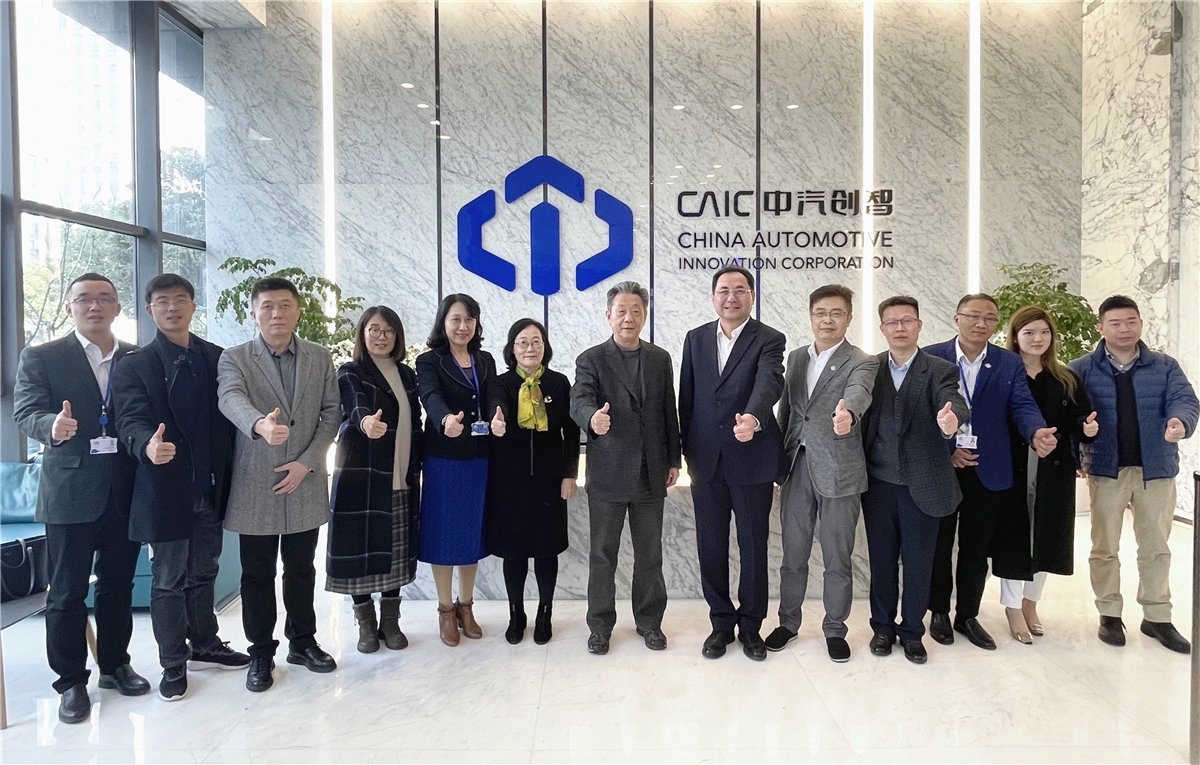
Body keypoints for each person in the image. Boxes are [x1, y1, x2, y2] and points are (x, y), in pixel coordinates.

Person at [13, 272, 149, 723]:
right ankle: (70, 682)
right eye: (84, 299)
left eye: (104, 298)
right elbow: (25, 411)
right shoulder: (42, 356)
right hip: (70, 493)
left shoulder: (135, 357)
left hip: (124, 490)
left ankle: (114, 665)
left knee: (118, 585)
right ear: (70, 307)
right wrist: (51, 426)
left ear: (117, 307)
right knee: (67, 592)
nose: (95, 306)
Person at [111, 274, 249, 702]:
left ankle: (205, 644)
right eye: (162, 301)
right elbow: (129, 419)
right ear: (149, 310)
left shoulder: (216, 357)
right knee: (169, 580)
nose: (172, 308)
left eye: (181, 300)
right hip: (164, 488)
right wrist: (145, 445)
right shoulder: (134, 364)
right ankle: (173, 662)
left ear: (193, 306)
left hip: (210, 485)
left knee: (204, 572)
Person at [217, 277, 340, 692]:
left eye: (285, 305)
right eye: (267, 306)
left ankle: (302, 642)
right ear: (254, 312)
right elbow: (229, 398)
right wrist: (258, 424)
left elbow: (331, 413)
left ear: (298, 311)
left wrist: (307, 463)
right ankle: (260, 652)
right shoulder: (235, 357)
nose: (276, 314)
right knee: (257, 574)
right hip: (256, 482)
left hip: (304, 479)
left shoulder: (319, 356)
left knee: (302, 569)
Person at [925, 293, 1056, 650]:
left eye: (989, 318)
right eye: (973, 316)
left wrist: (1036, 432)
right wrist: (950, 450)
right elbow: (922, 412)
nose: (981, 323)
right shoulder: (932, 357)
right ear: (957, 318)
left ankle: (967, 615)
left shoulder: (1007, 362)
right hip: (943, 467)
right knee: (940, 545)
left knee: (976, 547)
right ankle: (938, 612)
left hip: (989, 466)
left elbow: (1022, 404)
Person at [1069, 295, 1198, 653]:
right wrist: (1077, 443)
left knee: (1156, 547)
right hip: (1105, 469)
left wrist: (1180, 421)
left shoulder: (1164, 366)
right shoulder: (1081, 368)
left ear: (1140, 323)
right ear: (1101, 328)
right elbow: (1068, 413)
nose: (1124, 329)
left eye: (1131, 321)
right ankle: (1109, 613)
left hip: (1155, 469)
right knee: (1104, 547)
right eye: (1115, 323)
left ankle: (1157, 616)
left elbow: (1185, 399)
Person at [678, 266, 786, 662]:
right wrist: (684, 452)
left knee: (753, 545)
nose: (731, 297)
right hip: (705, 460)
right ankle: (721, 624)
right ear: (713, 297)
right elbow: (686, 397)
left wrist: (753, 418)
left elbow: (770, 382)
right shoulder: (695, 338)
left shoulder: (769, 338)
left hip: (752, 457)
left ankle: (752, 626)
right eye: (723, 290)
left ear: (752, 296)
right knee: (711, 545)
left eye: (740, 290)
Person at [766, 284, 878, 663]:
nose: (827, 320)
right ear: (811, 316)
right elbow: (787, 413)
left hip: (840, 470)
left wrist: (849, 416)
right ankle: (788, 622)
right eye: (820, 313)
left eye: (836, 313)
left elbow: (859, 393)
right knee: (793, 555)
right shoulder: (796, 357)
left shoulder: (862, 361)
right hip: (796, 467)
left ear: (848, 318)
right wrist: (778, 463)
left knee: (837, 557)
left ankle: (835, 628)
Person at [571, 281, 681, 655]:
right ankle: (600, 627)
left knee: (650, 555)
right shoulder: (591, 359)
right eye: (621, 311)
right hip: (608, 472)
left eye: (636, 310)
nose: (628, 317)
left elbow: (668, 410)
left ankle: (650, 623)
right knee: (603, 556)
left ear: (645, 315)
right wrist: (592, 418)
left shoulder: (659, 359)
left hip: (651, 472)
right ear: (609, 316)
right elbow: (579, 399)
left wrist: (674, 459)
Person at [860, 296, 968, 664]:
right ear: (882, 329)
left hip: (923, 484)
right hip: (878, 484)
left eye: (907, 320)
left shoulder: (939, 369)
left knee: (919, 564)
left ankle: (911, 632)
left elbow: (954, 401)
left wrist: (952, 420)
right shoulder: (870, 368)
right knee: (882, 563)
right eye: (892, 322)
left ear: (919, 325)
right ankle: (882, 628)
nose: (900, 327)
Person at [992, 307, 1096, 643]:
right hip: (1012, 467)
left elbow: (1078, 416)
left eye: (1044, 332)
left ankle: (1031, 603)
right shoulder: (1004, 374)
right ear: (1015, 336)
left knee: (1047, 537)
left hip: (1054, 468)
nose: (1038, 339)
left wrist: (1086, 427)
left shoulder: (1065, 378)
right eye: (1029, 333)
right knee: (1013, 538)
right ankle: (1012, 607)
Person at [325, 307, 422, 653]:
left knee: (396, 551)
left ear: (397, 336)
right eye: (374, 329)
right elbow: (354, 405)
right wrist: (366, 422)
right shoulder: (350, 371)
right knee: (359, 549)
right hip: (362, 474)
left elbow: (416, 420)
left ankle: (390, 622)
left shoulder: (407, 375)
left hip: (402, 471)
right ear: (362, 334)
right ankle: (366, 624)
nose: (382, 336)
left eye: (389, 331)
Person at [485, 318, 580, 645]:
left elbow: (571, 432)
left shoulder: (558, 383)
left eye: (536, 341)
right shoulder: (501, 383)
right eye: (522, 342)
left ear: (544, 347)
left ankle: (544, 612)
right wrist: (497, 418)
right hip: (508, 482)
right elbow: (495, 404)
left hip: (549, 481)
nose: (530, 348)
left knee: (546, 550)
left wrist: (570, 474)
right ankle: (516, 614)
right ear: (512, 349)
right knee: (513, 552)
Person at [415, 294, 496, 647]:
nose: (463, 326)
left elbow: (493, 395)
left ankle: (467, 606)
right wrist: (445, 418)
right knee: (444, 534)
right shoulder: (429, 360)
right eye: (456, 319)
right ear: (443, 323)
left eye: (469, 320)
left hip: (479, 458)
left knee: (471, 533)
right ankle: (446, 609)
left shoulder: (485, 359)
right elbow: (430, 396)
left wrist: (498, 414)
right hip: (444, 458)